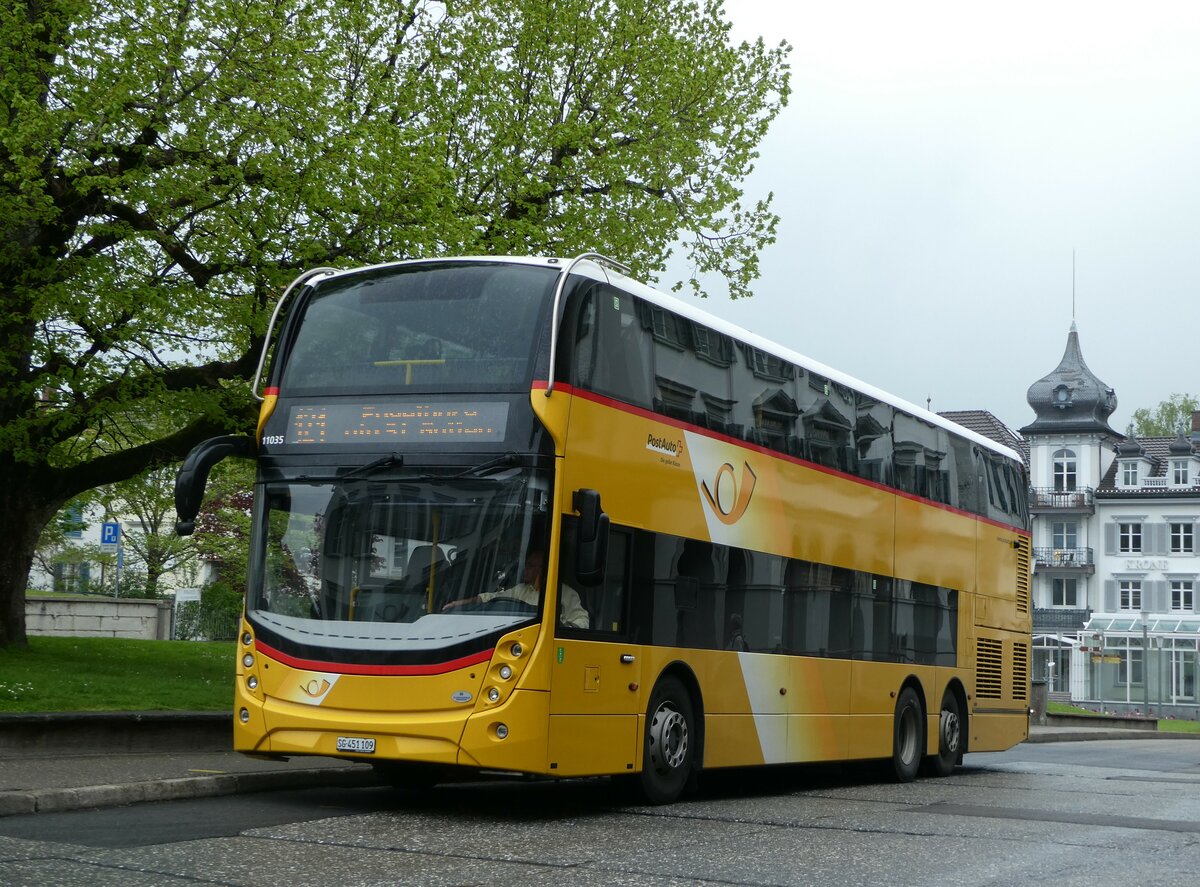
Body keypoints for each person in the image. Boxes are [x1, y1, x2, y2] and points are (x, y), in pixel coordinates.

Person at [442, 548, 589, 628]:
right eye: (526, 564)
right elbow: (493, 598)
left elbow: (582, 621)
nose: (525, 569)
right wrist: (461, 604)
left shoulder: (565, 593)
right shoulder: (521, 589)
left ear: (543, 569)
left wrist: (563, 628)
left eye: (530, 565)